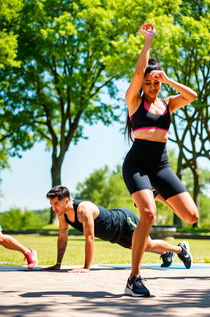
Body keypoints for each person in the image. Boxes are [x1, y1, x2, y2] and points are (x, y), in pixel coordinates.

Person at [122, 23, 199, 297]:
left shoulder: (167, 102)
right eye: (149, 82)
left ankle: (156, 193)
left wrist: (167, 80)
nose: (153, 87)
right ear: (141, 83)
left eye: (156, 83)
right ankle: (134, 278)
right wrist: (148, 41)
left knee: (191, 216)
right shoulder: (134, 101)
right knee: (148, 214)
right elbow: (137, 71)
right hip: (137, 166)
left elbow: (192, 96)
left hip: (161, 166)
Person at [42, 186, 192, 272]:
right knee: (143, 248)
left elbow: (90, 238)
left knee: (148, 245)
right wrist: (58, 264)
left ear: (66, 200)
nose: (54, 208)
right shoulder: (63, 215)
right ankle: (166, 253)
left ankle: (181, 250)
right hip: (113, 235)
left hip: (123, 221)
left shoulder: (83, 209)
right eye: (52, 205)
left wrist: (87, 267)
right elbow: (62, 238)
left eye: (56, 204)